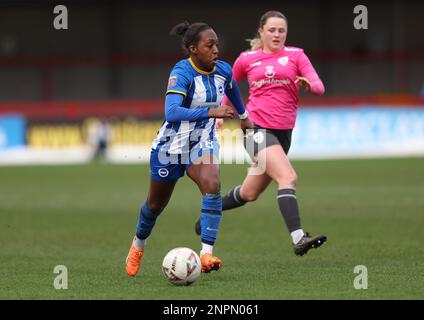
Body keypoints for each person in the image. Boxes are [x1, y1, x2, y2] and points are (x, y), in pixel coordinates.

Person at [125, 21, 253, 277]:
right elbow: (171, 112)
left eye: (216, 44)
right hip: (171, 146)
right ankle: (138, 244)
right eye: (209, 45)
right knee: (154, 205)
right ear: (193, 49)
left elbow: (232, 88)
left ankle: (206, 253)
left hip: (202, 141)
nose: (216, 49)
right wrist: (212, 111)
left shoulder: (223, 71)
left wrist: (244, 115)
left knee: (212, 183)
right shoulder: (181, 73)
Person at [195, 11, 327, 256]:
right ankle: (298, 238)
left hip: (283, 135)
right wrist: (220, 114)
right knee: (288, 177)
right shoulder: (247, 59)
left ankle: (209, 214)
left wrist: (310, 86)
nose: (277, 34)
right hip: (255, 131)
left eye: (281, 30)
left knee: (249, 193)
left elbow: (319, 86)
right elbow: (228, 85)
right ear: (261, 32)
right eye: (272, 30)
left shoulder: (296, 56)